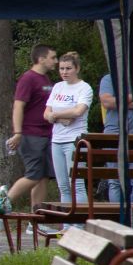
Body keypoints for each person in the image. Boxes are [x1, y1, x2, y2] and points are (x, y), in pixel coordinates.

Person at [5, 45, 58, 213]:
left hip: (47, 133)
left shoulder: (46, 79)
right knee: (33, 175)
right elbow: (18, 106)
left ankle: (36, 218)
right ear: (41, 59)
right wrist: (17, 132)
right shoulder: (28, 78)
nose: (56, 61)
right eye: (53, 57)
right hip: (30, 134)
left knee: (43, 177)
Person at [44, 51, 94, 209]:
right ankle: (67, 220)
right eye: (61, 68)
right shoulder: (58, 87)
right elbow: (46, 113)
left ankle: (80, 221)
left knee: (76, 184)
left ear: (77, 68)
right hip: (57, 140)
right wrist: (62, 117)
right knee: (63, 186)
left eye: (68, 68)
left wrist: (56, 115)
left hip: (74, 140)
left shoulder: (84, 88)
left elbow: (78, 111)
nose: (64, 72)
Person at [97, 67, 133, 204]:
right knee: (115, 181)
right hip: (113, 133)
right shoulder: (108, 79)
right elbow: (107, 102)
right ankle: (118, 216)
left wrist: (119, 101)